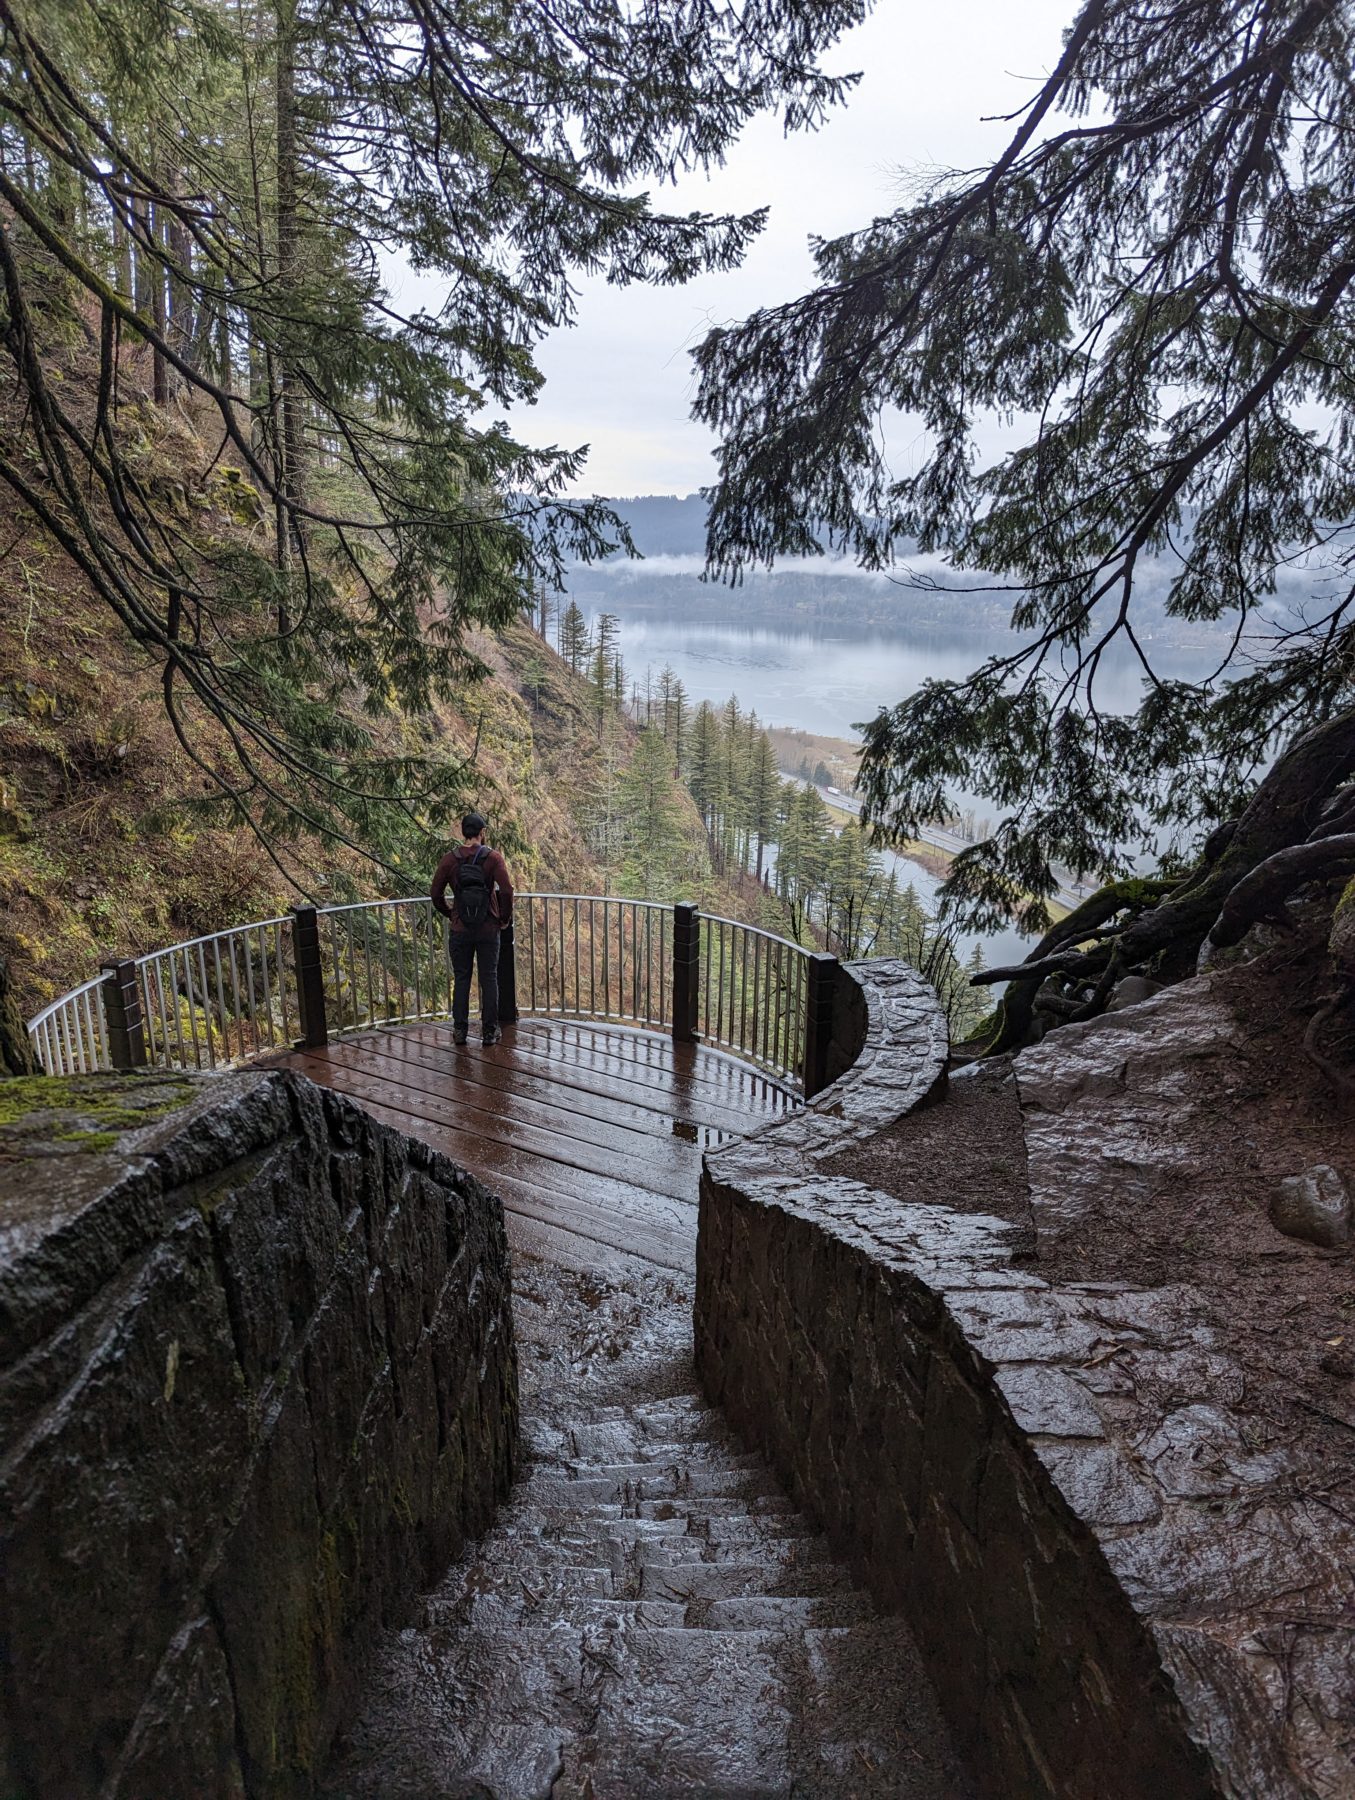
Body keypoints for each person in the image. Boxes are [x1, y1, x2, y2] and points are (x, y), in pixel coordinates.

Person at [431, 813, 515, 1046]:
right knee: (489, 978)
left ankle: (460, 1031)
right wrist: (504, 918)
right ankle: (489, 1032)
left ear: (463, 833)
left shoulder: (450, 860)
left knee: (462, 978)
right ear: (482, 832)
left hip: (460, 929)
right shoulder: (492, 858)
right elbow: (507, 890)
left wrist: (451, 913)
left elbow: (435, 894)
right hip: (488, 927)